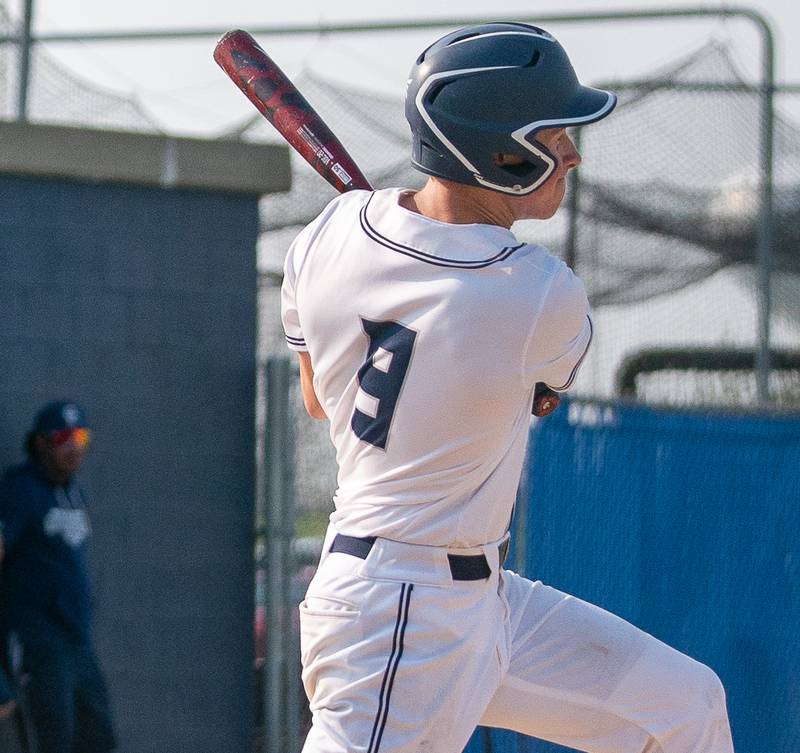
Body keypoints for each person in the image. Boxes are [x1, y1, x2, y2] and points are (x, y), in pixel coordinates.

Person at [281, 22, 734, 753]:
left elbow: (317, 395)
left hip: (477, 595)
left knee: (684, 708)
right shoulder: (536, 292)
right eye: (554, 134)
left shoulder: (328, 232)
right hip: (402, 608)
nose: (572, 152)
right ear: (501, 152)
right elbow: (543, 391)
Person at [0, 400, 116, 753]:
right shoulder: (19, 490)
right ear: (41, 442)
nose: (74, 446)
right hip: (36, 640)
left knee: (98, 738)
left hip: (76, 640)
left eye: (80, 436)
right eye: (64, 436)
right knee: (54, 739)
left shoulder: (72, 491)